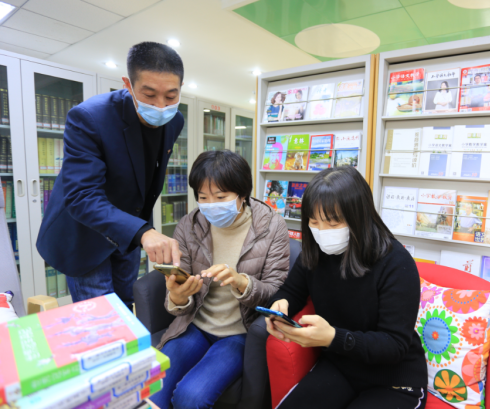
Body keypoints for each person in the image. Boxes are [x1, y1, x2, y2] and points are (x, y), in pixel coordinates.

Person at [36, 42, 186, 308]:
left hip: (127, 231)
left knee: (126, 302)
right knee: (101, 315)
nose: (161, 106)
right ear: (128, 84)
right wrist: (143, 232)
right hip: (84, 233)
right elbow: (81, 196)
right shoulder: (89, 117)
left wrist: (139, 231)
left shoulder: (174, 121)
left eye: (171, 96)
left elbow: (146, 180)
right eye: (149, 95)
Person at [265, 166, 427, 409]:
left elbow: (394, 345)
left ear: (358, 217)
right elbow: (291, 292)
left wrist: (333, 337)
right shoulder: (315, 252)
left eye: (333, 222)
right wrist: (280, 307)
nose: (321, 231)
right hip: (339, 367)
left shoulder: (396, 263)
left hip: (393, 380)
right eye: (314, 221)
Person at [152, 150, 290, 409]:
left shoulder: (271, 227)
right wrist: (178, 297)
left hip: (239, 333)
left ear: (242, 194)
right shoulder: (190, 225)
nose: (211, 205)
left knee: (190, 397)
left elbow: (276, 290)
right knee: (152, 390)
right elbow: (180, 291)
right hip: (193, 324)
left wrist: (241, 282)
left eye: (221, 197)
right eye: (203, 197)